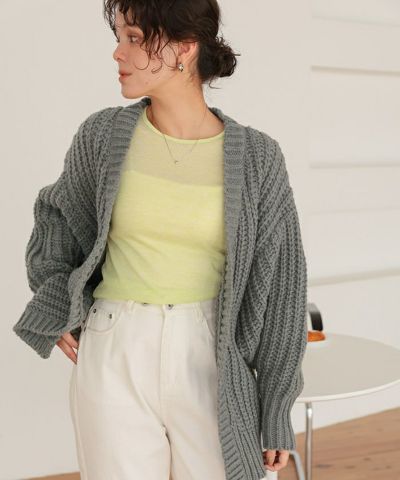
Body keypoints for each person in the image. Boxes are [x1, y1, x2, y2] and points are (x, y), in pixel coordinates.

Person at [13, 1, 308, 480]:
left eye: (133, 38)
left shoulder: (259, 158)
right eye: (119, 37)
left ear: (184, 48)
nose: (118, 52)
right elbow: (57, 220)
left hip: (211, 351)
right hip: (115, 345)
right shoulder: (101, 136)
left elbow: (282, 292)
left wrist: (276, 405)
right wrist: (54, 298)